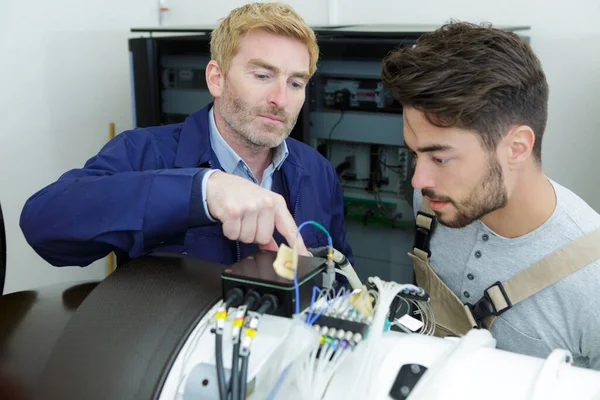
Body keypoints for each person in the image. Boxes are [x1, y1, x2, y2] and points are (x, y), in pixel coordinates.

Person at [20, 2, 353, 268]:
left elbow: (339, 272)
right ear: (216, 78)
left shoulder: (318, 171)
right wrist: (203, 191)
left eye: (295, 83)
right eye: (263, 75)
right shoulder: (143, 152)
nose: (280, 99)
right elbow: (43, 225)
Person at [381, 22, 600, 369]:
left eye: (440, 158)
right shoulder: (433, 203)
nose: (418, 180)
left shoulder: (592, 282)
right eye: (415, 154)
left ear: (516, 148)